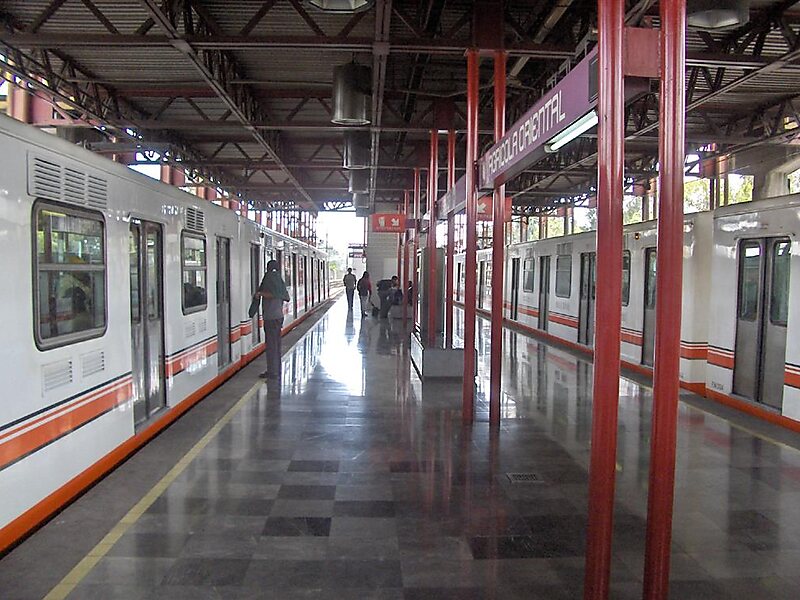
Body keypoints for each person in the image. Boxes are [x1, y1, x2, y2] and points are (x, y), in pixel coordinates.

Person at [254, 260, 290, 380]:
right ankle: (276, 369)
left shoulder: (269, 278)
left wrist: (261, 294)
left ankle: (272, 372)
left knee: (271, 346)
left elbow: (273, 294)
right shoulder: (279, 280)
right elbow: (286, 297)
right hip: (278, 316)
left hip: (270, 317)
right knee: (276, 345)